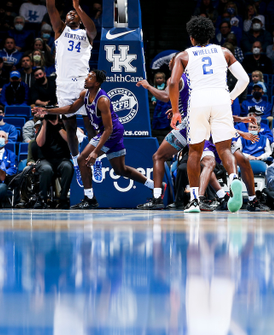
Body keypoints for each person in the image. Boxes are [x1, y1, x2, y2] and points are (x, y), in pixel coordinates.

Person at [34, 70, 154, 209]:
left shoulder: (102, 100)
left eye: (90, 77)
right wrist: (47, 111)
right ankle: (155, 185)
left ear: (97, 83)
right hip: (110, 132)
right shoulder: (85, 94)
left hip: (111, 132)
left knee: (82, 159)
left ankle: (90, 199)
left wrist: (96, 152)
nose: (86, 78)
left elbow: (108, 129)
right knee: (121, 170)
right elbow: (71, 108)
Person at [169, 16, 249, 213]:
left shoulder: (184, 55)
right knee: (224, 149)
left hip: (199, 100)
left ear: (192, 38)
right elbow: (244, 79)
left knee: (195, 151)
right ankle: (233, 179)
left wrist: (176, 111)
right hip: (221, 98)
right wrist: (230, 97)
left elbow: (172, 84)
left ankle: (195, 200)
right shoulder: (224, 52)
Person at [41, 0, 97, 187]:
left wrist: (78, 6)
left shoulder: (86, 33)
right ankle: (76, 160)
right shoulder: (60, 32)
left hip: (83, 84)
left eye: (74, 13)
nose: (71, 14)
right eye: (70, 12)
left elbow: (93, 29)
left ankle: (95, 158)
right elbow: (50, 6)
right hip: (64, 84)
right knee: (71, 127)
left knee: (91, 124)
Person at [136, 54, 189, 209]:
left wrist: (148, 86)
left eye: (171, 62)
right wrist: (176, 110)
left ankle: (157, 198)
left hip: (187, 126)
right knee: (203, 162)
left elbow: (165, 96)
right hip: (201, 124)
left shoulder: (175, 78)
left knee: (158, 156)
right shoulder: (193, 77)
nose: (169, 64)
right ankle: (217, 196)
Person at [22, 114, 74, 209]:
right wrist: (45, 123)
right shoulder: (43, 127)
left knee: (68, 167)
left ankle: (63, 199)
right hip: (45, 159)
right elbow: (40, 143)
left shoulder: (64, 126)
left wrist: (57, 126)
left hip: (62, 159)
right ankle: (42, 199)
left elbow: (70, 140)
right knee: (46, 169)